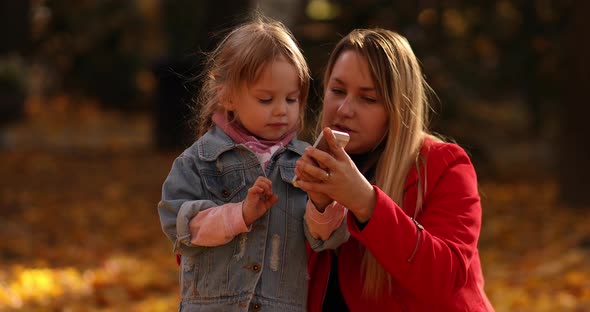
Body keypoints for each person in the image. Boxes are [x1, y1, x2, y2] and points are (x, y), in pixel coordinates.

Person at [294, 28, 495, 311]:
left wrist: (366, 203)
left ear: (398, 108)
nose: (345, 109)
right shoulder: (299, 167)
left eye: (368, 98)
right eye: (337, 91)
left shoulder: (444, 166)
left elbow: (445, 279)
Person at [157, 14, 311, 311]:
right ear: (226, 96)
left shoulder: (306, 163)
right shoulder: (199, 161)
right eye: (266, 100)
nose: (281, 111)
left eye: (291, 100)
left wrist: (325, 204)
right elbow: (179, 225)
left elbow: (324, 239)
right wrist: (239, 214)